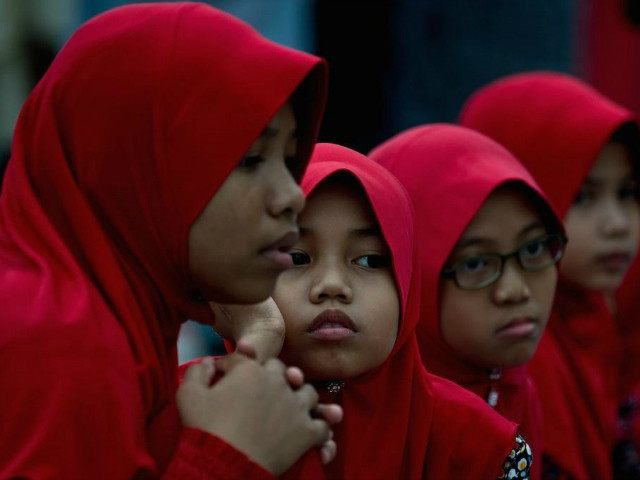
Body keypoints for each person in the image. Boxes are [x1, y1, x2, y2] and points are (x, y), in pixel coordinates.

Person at [0, 3, 343, 478]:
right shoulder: (61, 345)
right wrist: (230, 454)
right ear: (134, 170)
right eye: (248, 159)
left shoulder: (118, 320)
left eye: (288, 159)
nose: (292, 196)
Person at [271, 142, 531, 479]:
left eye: (369, 260)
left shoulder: (479, 446)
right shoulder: (199, 409)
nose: (332, 285)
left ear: (407, 285)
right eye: (296, 258)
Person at [460, 71, 640, 479]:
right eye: (582, 195)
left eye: (628, 193)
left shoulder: (605, 323)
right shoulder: (513, 349)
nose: (617, 224)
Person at [370, 124, 566, 480]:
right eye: (475, 263)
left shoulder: (516, 388)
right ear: (411, 274)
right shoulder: (365, 426)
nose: (515, 290)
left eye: (535, 248)